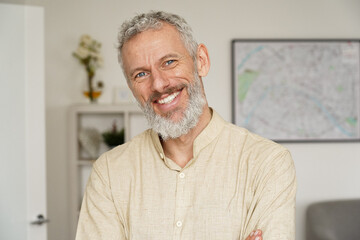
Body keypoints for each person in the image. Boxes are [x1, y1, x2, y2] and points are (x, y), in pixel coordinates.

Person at [76, 11, 296, 240]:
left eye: (169, 62)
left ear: (201, 61)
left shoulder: (268, 163)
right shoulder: (109, 173)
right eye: (141, 74)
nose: (159, 84)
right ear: (132, 87)